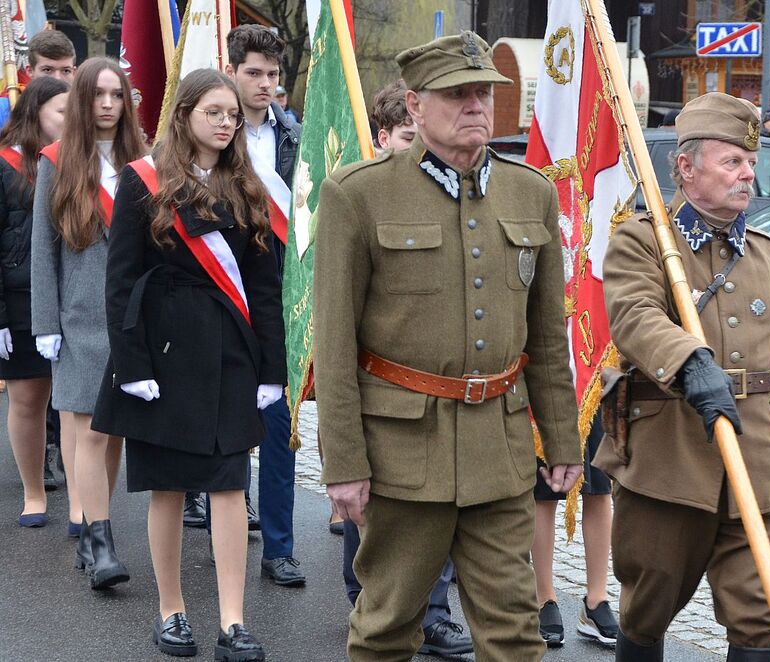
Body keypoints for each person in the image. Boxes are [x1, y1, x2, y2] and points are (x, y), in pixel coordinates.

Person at [313, 31, 583, 661]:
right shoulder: (358, 194)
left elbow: (545, 336)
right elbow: (333, 342)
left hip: (502, 451)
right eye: (456, 94)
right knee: (385, 629)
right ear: (413, 106)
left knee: (516, 634)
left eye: (483, 92)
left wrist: (564, 441)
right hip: (402, 457)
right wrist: (345, 464)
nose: (475, 105)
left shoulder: (531, 192)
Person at [594, 91, 770, 661]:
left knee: (762, 615)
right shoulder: (645, 240)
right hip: (669, 461)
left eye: (751, 164)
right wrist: (689, 359)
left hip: (758, 462)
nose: (748, 175)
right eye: (732, 163)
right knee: (647, 607)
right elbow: (634, 317)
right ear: (686, 167)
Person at [91, 68, 284, 661]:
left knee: (229, 484)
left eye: (233, 115)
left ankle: (232, 621)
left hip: (229, 351)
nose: (227, 124)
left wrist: (272, 368)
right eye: (214, 113)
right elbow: (120, 281)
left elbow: (265, 285)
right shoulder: (143, 181)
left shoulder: (248, 186)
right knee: (169, 486)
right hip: (163, 352)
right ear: (185, 115)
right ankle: (171, 611)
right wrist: (132, 366)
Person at [336, 78, 474, 658]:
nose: (415, 149)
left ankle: (434, 612)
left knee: (440, 519)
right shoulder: (359, 196)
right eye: (405, 138)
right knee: (378, 536)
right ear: (385, 136)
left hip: (449, 406)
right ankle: (368, 600)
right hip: (384, 401)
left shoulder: (455, 197)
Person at [30, 57, 146, 589]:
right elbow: (42, 250)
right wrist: (44, 322)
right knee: (85, 431)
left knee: (115, 432)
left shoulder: (143, 162)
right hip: (77, 318)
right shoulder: (56, 161)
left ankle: (96, 529)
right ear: (81, 101)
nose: (106, 104)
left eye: (116, 95)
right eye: (97, 95)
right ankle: (98, 540)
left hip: (129, 319)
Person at [222, 23, 304, 587]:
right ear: (231, 71)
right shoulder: (210, 132)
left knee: (280, 423)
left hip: (276, 295)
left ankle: (279, 546)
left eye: (273, 75)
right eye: (253, 73)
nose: (265, 85)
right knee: (225, 421)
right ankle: (220, 513)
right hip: (223, 293)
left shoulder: (294, 135)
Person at [0, 76, 69, 527]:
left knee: (75, 403)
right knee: (28, 398)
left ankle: (86, 502)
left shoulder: (83, 161)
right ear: (35, 112)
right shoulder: (6, 165)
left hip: (74, 298)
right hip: (21, 298)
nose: (71, 119)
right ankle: (33, 491)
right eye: (62, 111)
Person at [26, 29, 76, 494]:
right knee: (32, 393)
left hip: (74, 294)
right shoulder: (14, 149)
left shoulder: (82, 147)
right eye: (48, 71)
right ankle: (38, 463)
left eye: (67, 71)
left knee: (67, 394)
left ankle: (64, 455)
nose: (60, 79)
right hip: (22, 289)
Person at [533, 411, 618, 647]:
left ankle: (596, 600)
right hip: (552, 384)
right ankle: (544, 599)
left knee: (600, 486)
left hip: (595, 383)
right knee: (544, 488)